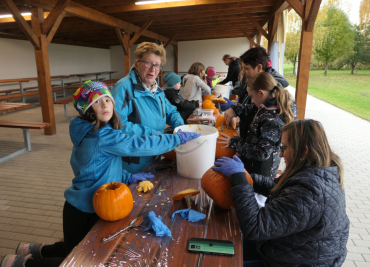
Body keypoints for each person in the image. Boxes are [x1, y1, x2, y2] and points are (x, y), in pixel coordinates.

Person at [0, 81, 200, 267]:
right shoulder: (101, 136)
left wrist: (125, 177)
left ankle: (34, 250)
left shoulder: (89, 131)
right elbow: (139, 144)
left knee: (72, 246)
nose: (105, 105)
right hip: (86, 209)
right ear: (87, 110)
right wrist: (175, 140)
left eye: (107, 100)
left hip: (79, 205)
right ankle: (24, 263)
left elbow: (96, 168)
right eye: (96, 102)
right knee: (78, 260)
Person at [213, 119, 349, 266]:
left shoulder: (311, 192)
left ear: (304, 151)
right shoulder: (318, 171)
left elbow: (254, 226)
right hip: (290, 249)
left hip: (296, 261)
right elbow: (279, 188)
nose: (281, 155)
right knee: (226, 241)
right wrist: (247, 178)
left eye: (284, 148)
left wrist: (239, 179)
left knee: (220, 261)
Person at [112, 42, 185, 174]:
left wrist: (180, 127)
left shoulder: (156, 90)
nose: (153, 69)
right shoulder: (124, 87)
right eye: (148, 63)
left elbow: (171, 111)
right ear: (136, 63)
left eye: (157, 65)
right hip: (132, 164)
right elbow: (116, 125)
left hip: (154, 156)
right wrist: (152, 134)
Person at [218, 72, 294, 178]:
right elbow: (251, 108)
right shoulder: (267, 105)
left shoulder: (272, 121)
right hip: (253, 165)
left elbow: (261, 153)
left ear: (261, 93)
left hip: (261, 172)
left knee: (255, 193)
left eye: (252, 96)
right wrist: (235, 109)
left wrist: (234, 142)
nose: (252, 100)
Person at [224, 47, 294, 147]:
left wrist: (239, 145)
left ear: (259, 68)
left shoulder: (271, 91)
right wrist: (236, 109)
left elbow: (263, 148)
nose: (243, 72)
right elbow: (252, 107)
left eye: (246, 68)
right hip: (246, 145)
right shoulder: (253, 83)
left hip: (255, 151)